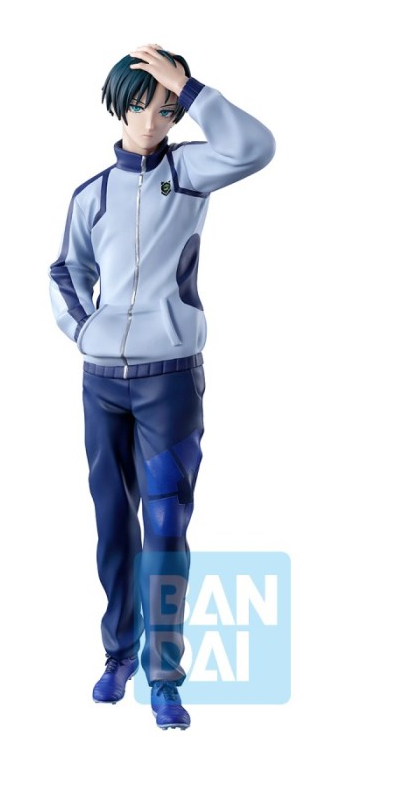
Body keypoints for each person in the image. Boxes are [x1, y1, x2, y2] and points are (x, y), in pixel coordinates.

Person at [48, 44, 275, 730]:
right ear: (119, 104)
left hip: (170, 383)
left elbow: (256, 146)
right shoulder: (91, 195)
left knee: (167, 527)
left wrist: (193, 86)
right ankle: (117, 655)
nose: (153, 119)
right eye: (142, 105)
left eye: (167, 107)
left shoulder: (191, 172)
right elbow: (65, 272)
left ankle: (165, 678)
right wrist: (86, 333)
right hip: (101, 385)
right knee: (113, 527)